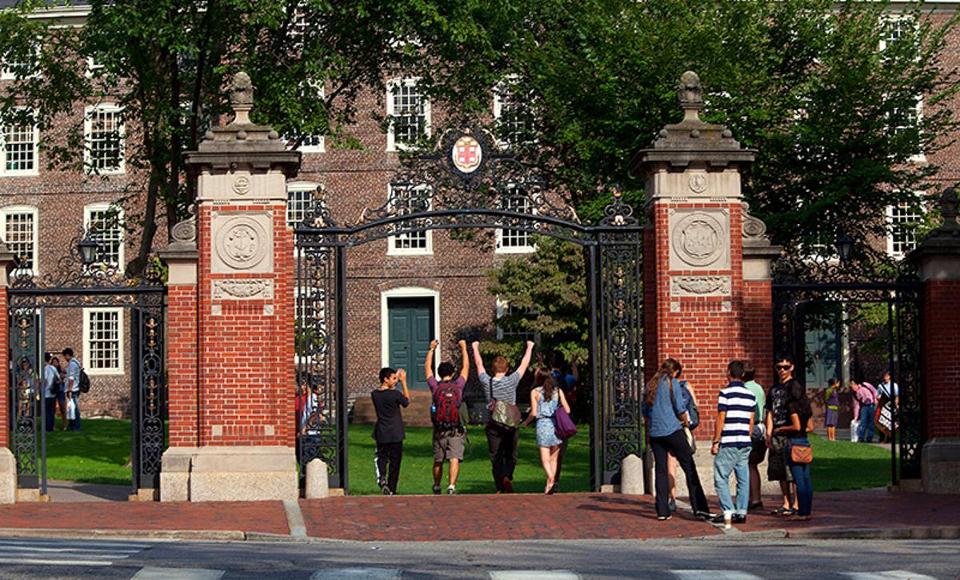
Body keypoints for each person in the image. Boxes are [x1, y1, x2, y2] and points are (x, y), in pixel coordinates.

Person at [642, 358, 712, 521]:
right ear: (674, 372)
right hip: (672, 429)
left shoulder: (650, 385)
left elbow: (644, 411)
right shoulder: (672, 383)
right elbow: (680, 408)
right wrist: (686, 422)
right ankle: (700, 507)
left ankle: (662, 510)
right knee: (689, 467)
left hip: (655, 432)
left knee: (661, 471)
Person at [472, 340, 535, 493]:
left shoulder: (487, 382)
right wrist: (529, 347)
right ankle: (507, 475)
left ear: (492, 369)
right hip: (511, 424)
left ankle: (499, 486)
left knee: (495, 455)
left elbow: (479, 365)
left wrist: (475, 347)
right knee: (511, 454)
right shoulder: (512, 380)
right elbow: (524, 364)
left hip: (494, 424)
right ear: (506, 369)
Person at [710, 360, 756, 528]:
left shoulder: (725, 393)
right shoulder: (750, 395)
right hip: (745, 441)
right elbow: (751, 420)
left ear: (728, 373)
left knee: (721, 477)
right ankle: (742, 511)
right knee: (743, 478)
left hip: (729, 441)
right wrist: (747, 436)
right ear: (743, 375)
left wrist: (716, 440)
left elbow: (721, 417)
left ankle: (728, 511)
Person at [426, 339, 469, 495]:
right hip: (455, 429)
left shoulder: (435, 387)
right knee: (454, 458)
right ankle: (451, 486)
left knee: (438, 459)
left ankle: (437, 485)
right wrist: (464, 349)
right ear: (452, 373)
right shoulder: (458, 386)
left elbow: (427, 371)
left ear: (440, 373)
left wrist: (431, 350)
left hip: (439, 429)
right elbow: (466, 368)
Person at [521, 374, 572, 494]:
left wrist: (525, 423)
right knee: (554, 458)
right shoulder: (558, 391)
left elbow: (533, 413)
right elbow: (568, 409)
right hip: (555, 425)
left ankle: (550, 478)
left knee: (545, 458)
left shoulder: (535, 392)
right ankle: (550, 484)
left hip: (542, 425)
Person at [773, 381, 815, 521]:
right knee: (806, 478)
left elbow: (796, 426)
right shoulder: (807, 406)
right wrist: (801, 428)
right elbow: (810, 427)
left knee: (798, 480)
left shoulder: (792, 406)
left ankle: (802, 513)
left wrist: (781, 428)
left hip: (794, 443)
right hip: (805, 442)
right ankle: (807, 510)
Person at [537, 352, 578, 491]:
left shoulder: (547, 376)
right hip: (561, 420)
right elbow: (576, 378)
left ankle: (550, 479)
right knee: (558, 453)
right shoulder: (565, 378)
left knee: (546, 453)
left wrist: (540, 363)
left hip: (544, 420)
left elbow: (537, 378)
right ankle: (555, 480)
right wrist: (573, 364)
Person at [766, 356, 799, 516]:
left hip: (791, 434)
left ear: (792, 367)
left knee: (793, 471)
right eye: (779, 367)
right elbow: (770, 411)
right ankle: (786, 502)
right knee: (779, 470)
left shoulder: (795, 387)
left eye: (785, 367)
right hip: (776, 433)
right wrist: (768, 432)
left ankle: (797, 503)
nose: (782, 370)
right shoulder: (773, 389)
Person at [371, 367, 410, 495]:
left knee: (382, 457)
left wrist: (395, 381)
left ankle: (382, 478)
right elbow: (406, 402)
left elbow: (385, 392)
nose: (395, 381)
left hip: (382, 431)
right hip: (396, 432)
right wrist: (403, 382)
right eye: (393, 378)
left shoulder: (375, 395)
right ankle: (392, 487)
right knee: (395, 461)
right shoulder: (395, 395)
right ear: (385, 379)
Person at [667, 366, 698, 513]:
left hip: (670, 429)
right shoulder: (686, 385)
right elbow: (694, 407)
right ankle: (694, 500)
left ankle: (672, 498)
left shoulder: (664, 387)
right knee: (688, 466)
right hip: (685, 429)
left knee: (671, 465)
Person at [743, 362, 766, 511]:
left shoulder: (744, 389)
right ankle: (755, 497)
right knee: (753, 465)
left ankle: (752, 499)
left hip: (749, 428)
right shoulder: (759, 388)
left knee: (746, 465)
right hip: (761, 427)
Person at [850, 380, 878, 444]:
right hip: (864, 406)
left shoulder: (865, 385)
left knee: (871, 423)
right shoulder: (855, 394)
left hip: (872, 405)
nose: (853, 389)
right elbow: (856, 406)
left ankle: (869, 438)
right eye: (851, 387)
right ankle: (861, 437)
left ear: (856, 384)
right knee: (863, 422)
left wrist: (875, 399)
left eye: (853, 386)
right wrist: (856, 417)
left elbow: (874, 391)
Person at [62, 348, 82, 431]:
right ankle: (72, 425)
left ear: (67, 355)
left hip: (73, 389)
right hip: (73, 388)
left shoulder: (72, 364)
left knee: (74, 408)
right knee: (71, 408)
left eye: (65, 356)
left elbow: (71, 378)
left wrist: (69, 390)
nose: (65, 358)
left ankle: (76, 427)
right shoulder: (74, 363)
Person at [42, 353, 61, 432]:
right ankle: (51, 427)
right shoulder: (53, 368)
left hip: (46, 393)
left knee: (46, 412)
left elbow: (45, 381)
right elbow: (59, 379)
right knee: (51, 412)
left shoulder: (45, 369)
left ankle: (46, 427)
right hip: (53, 393)